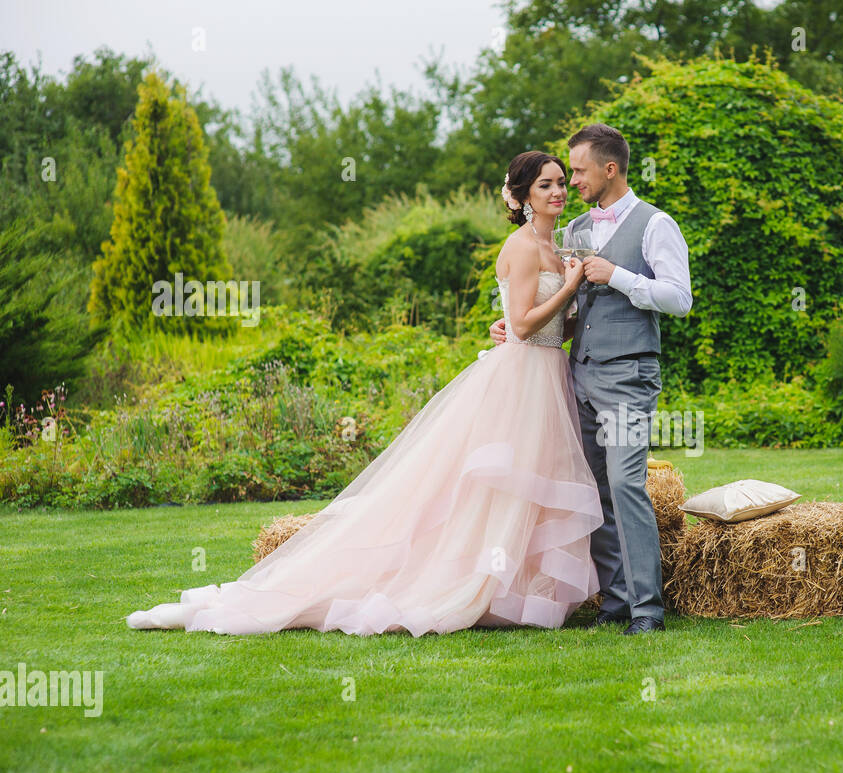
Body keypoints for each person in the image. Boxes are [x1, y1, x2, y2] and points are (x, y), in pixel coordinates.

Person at [127, 151, 602, 636]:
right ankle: (455, 584)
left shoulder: (555, 248)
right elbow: (523, 324)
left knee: (530, 487)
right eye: (545, 185)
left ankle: (515, 592)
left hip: (547, 376)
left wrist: (568, 307)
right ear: (523, 197)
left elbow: (543, 329)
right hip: (519, 382)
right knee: (497, 487)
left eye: (561, 182)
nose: (558, 191)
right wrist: (567, 288)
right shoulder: (522, 246)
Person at [490, 123, 693, 634]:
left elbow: (679, 299)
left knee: (626, 483)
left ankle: (648, 610)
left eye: (577, 171)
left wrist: (618, 276)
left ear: (609, 168)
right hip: (575, 374)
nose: (570, 181)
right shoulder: (573, 229)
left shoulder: (655, 224)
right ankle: (616, 600)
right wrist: (516, 331)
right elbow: (565, 306)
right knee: (593, 487)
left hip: (628, 374)